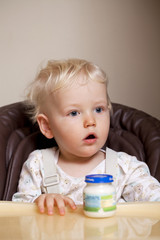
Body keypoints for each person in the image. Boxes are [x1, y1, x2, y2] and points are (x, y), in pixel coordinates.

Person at [12, 59, 160, 216]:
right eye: (74, 113)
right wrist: (39, 202)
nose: (91, 121)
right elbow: (18, 215)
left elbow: (155, 203)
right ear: (47, 126)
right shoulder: (38, 165)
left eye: (98, 109)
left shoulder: (125, 168)